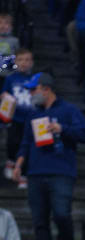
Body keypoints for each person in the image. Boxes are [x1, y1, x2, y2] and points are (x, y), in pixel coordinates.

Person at [12, 73, 85, 240]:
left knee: (62, 214)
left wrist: (61, 128)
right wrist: (19, 164)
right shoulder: (33, 114)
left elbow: (84, 134)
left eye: (33, 89)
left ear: (46, 89)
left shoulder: (68, 110)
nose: (30, 93)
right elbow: (26, 142)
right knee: (39, 221)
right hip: (36, 172)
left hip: (61, 171)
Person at [1, 48, 35, 187]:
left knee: (26, 146)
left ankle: (23, 174)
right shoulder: (10, 78)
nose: (24, 63)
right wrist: (5, 97)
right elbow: (3, 93)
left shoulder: (35, 79)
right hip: (15, 118)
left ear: (32, 63)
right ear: (15, 62)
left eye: (27, 60)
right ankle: (10, 161)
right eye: (21, 60)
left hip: (30, 120)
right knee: (12, 142)